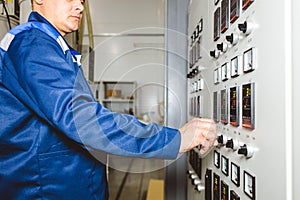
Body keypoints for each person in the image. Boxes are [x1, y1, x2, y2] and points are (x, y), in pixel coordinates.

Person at [0, 0, 217, 199]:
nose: (80, 6)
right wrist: (174, 139)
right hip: (46, 191)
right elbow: (84, 121)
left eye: (82, 0)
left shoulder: (49, 46)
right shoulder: (32, 44)